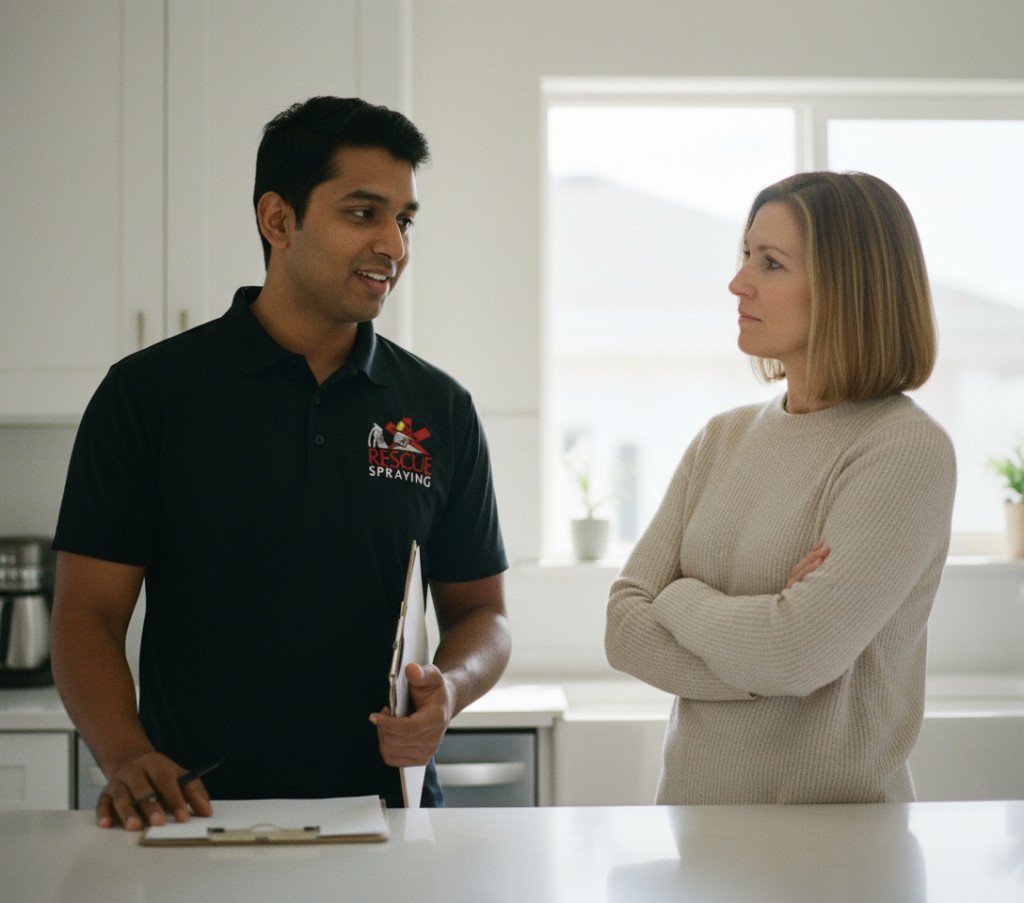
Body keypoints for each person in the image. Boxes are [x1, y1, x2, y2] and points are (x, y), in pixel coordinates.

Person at [50, 96, 511, 830]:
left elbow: (483, 613)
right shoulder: (149, 394)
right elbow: (86, 615)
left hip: (389, 820)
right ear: (278, 219)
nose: (393, 243)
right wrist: (125, 754)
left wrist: (449, 689)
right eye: (364, 213)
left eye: (405, 219)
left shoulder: (439, 409)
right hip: (195, 820)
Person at [605, 171, 956, 805]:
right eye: (745, 255)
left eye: (771, 263)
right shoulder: (723, 438)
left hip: (839, 859)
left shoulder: (904, 448)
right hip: (696, 837)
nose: (739, 283)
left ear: (847, 288)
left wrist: (680, 599)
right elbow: (624, 627)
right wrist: (765, 652)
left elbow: (794, 653)